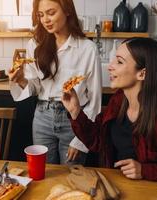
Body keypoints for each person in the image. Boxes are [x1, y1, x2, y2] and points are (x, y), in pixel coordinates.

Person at [62, 37, 157, 184]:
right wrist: (75, 111)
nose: (110, 66)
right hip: (116, 186)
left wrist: (144, 170)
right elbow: (98, 141)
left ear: (142, 74)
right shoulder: (117, 102)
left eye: (119, 61)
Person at [9, 0, 102, 164]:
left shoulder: (87, 49)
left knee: (72, 176)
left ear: (67, 11)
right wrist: (21, 80)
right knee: (43, 174)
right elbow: (35, 86)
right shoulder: (35, 44)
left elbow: (95, 101)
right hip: (42, 116)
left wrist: (80, 140)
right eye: (41, 15)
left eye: (51, 13)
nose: (45, 20)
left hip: (73, 119)